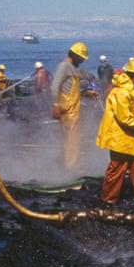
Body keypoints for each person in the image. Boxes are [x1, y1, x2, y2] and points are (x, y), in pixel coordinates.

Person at [95, 58, 134, 206]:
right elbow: (125, 119)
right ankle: (107, 201)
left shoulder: (130, 89)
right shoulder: (121, 92)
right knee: (117, 169)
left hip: (133, 137)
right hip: (120, 138)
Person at [51, 42, 98, 173]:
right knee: (72, 142)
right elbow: (54, 86)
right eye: (82, 58)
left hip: (73, 109)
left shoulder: (72, 68)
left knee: (70, 140)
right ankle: (70, 171)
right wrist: (55, 105)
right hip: (68, 110)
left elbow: (70, 89)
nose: (83, 61)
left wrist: (85, 94)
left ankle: (62, 166)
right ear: (76, 56)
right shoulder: (64, 66)